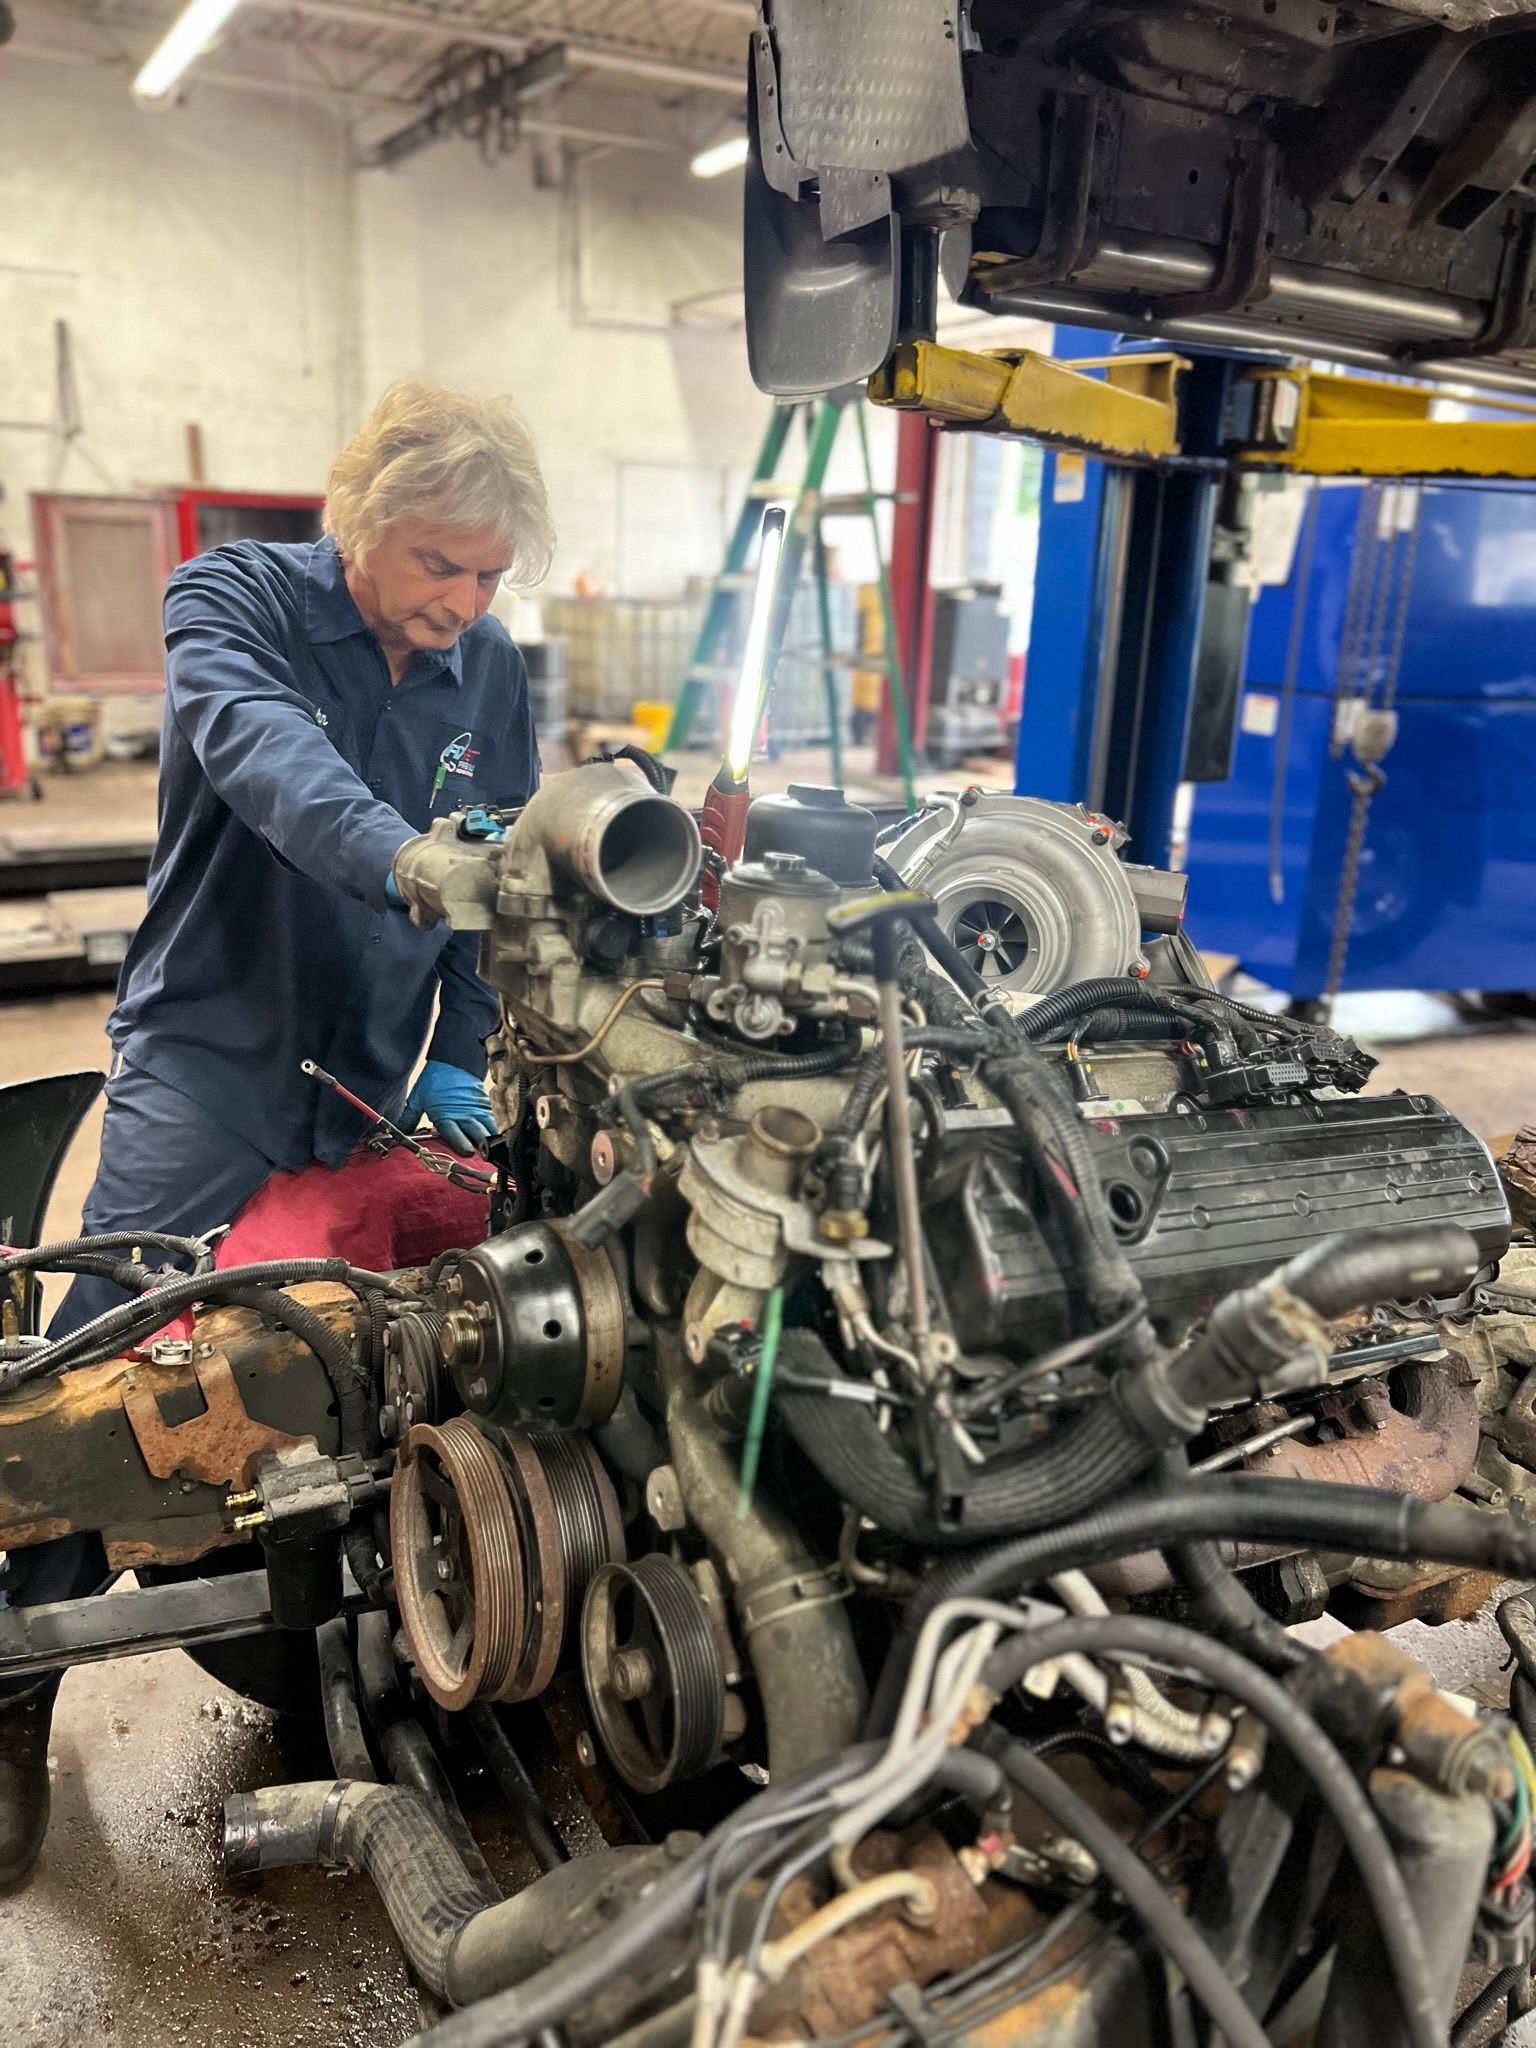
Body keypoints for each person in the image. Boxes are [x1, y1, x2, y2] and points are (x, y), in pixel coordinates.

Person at [0, 381, 553, 1886]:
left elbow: (491, 878)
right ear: (360, 522)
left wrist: (473, 1053)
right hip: (214, 1050)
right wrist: (404, 859)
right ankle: (16, 1683)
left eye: (491, 573)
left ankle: (389, 1610)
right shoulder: (230, 600)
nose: (465, 602)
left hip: (374, 1071)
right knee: (102, 1357)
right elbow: (263, 758)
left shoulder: (491, 668)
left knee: (455, 1321)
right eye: (441, 563)